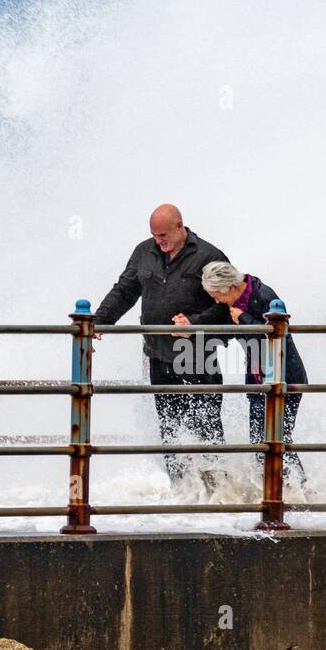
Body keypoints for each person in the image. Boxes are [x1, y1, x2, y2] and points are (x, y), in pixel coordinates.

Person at [93, 204, 230, 487]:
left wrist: (195, 323)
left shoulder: (209, 256)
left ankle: (219, 492)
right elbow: (125, 290)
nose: (160, 241)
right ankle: (181, 492)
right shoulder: (145, 252)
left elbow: (229, 304)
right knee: (170, 427)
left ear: (181, 226)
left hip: (197, 356)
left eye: (164, 234)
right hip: (158, 356)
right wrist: (98, 322)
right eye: (155, 235)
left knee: (206, 428)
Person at [197, 261, 308, 485]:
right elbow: (228, 334)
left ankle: (298, 488)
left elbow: (276, 338)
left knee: (279, 440)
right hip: (258, 381)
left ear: (227, 287)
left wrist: (243, 320)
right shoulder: (235, 305)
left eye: (216, 295)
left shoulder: (264, 296)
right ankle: (272, 491)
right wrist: (190, 330)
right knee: (260, 443)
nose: (216, 300)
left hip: (285, 379)